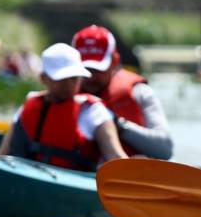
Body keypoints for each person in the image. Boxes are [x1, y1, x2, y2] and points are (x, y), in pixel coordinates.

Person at [0, 43, 127, 170]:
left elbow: (115, 158)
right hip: (29, 182)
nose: (69, 85)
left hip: (75, 187)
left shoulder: (94, 112)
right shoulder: (28, 106)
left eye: (74, 78)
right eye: (61, 79)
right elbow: (2, 153)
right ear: (43, 79)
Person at [72, 25, 173, 160]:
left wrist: (117, 124)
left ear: (114, 61)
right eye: (85, 69)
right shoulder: (59, 95)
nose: (91, 76)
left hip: (128, 175)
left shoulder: (140, 93)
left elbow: (165, 149)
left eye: (97, 69)